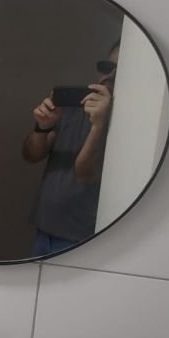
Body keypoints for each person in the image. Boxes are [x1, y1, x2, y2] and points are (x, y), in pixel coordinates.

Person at [22, 41, 119, 255]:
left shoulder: (125, 122)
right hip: (44, 228)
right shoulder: (73, 109)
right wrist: (42, 127)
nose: (110, 75)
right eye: (106, 67)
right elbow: (31, 154)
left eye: (120, 70)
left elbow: (85, 173)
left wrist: (99, 125)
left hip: (80, 238)